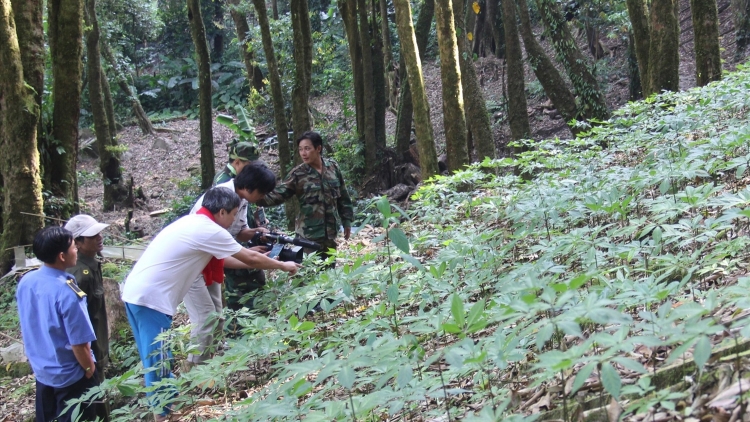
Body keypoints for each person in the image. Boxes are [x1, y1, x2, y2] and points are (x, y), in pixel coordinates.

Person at [121, 187, 300, 421]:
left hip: (137, 293)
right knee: (158, 359)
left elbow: (226, 259)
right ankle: (162, 416)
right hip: (151, 300)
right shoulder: (208, 229)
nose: (236, 219)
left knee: (155, 357)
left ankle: (166, 409)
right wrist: (283, 266)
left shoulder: (193, 222)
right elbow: (250, 256)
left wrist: (269, 261)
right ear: (222, 211)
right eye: (235, 213)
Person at [183, 163, 274, 366]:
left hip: (212, 260)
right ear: (250, 188)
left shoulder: (241, 199)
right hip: (195, 262)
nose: (262, 198)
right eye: (262, 192)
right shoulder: (222, 198)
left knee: (217, 315)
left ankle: (211, 363)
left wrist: (258, 232)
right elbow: (219, 243)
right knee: (205, 318)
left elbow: (238, 231)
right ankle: (194, 368)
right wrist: (271, 262)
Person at [17, 227, 98, 422]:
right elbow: (80, 344)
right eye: (73, 246)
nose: (76, 249)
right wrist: (89, 371)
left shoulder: (27, 281)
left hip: (42, 372)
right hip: (71, 377)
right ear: (62, 256)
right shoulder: (68, 292)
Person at [258, 131, 354, 262]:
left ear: (318, 148)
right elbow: (277, 195)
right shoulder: (298, 174)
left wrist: (346, 221)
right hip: (307, 237)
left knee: (329, 274)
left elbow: (343, 196)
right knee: (307, 275)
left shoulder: (333, 167)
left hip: (330, 235)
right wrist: (253, 196)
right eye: (301, 149)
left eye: (307, 149)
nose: (303, 153)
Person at [63, 215, 111, 422]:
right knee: (95, 399)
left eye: (99, 232)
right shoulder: (78, 275)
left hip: (97, 344)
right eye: (92, 235)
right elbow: (75, 319)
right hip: (87, 348)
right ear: (78, 243)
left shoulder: (91, 264)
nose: (99, 237)